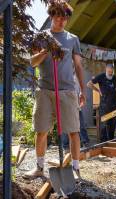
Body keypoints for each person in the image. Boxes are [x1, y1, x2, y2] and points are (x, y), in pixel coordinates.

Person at [24, 1, 85, 179]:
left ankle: (75, 169)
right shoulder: (41, 37)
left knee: (73, 131)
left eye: (65, 17)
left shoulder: (72, 39)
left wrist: (82, 90)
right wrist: (45, 51)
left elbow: (79, 66)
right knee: (41, 130)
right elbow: (32, 62)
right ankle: (39, 167)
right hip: (44, 90)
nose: (61, 20)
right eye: (58, 16)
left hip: (67, 90)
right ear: (51, 15)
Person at [87, 63, 116, 142]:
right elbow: (89, 84)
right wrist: (98, 90)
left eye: (111, 72)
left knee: (112, 124)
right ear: (106, 70)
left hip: (113, 105)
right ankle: (103, 142)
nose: (110, 73)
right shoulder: (101, 76)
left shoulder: (114, 78)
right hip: (104, 105)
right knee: (103, 125)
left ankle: (111, 140)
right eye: (109, 72)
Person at [62, 76, 90, 151]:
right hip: (66, 106)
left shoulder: (76, 79)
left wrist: (81, 95)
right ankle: (66, 146)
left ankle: (85, 142)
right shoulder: (64, 78)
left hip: (76, 107)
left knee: (81, 125)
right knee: (65, 127)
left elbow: (80, 92)